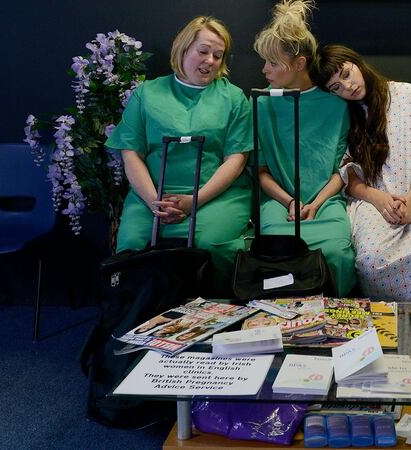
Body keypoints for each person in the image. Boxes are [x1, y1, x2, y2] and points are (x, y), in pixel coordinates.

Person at [105, 16, 254, 293]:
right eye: (203, 51)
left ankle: (218, 315)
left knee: (211, 242)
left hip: (216, 196)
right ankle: (137, 319)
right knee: (132, 243)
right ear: (183, 49)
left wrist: (193, 202)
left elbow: (236, 159)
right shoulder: (147, 94)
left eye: (218, 55)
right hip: (152, 195)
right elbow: (131, 153)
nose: (210, 60)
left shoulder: (233, 98)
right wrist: (153, 201)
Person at [313, 45, 411, 302]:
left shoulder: (408, 94)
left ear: (357, 63)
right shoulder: (344, 116)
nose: (347, 87)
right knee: (372, 260)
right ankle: (387, 330)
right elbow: (348, 176)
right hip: (371, 198)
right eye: (336, 87)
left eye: (347, 74)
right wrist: (378, 198)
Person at [252, 0, 356, 295]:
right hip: (279, 204)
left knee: (336, 253)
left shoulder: (336, 103)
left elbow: (342, 168)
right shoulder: (263, 103)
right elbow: (260, 172)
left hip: (327, 202)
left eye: (273, 63)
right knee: (277, 252)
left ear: (299, 63)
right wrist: (289, 202)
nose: (264, 69)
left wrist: (317, 202)